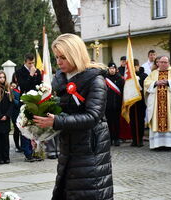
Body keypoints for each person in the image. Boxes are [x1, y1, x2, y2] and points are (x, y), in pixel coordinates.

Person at [33, 33, 113, 200]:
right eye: (56, 57)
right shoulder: (59, 79)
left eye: (63, 57)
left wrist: (57, 121)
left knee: (88, 192)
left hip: (89, 150)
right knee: (67, 190)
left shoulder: (94, 80)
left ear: (75, 54)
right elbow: (59, 110)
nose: (59, 62)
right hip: (68, 147)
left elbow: (93, 116)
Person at [144, 56, 171, 149]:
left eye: (165, 62)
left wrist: (169, 82)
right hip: (156, 104)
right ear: (158, 63)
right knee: (156, 120)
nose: (163, 64)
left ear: (169, 63)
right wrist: (155, 83)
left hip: (170, 104)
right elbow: (146, 83)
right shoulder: (153, 73)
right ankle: (157, 145)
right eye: (161, 62)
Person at [16, 53, 42, 162]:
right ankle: (27, 152)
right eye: (29, 63)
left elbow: (39, 85)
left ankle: (36, 151)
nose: (32, 65)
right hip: (25, 102)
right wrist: (30, 75)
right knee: (26, 126)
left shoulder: (37, 71)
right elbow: (24, 86)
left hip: (35, 102)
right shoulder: (19, 72)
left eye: (33, 63)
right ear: (25, 62)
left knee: (35, 128)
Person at [105, 62, 124, 146]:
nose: (112, 70)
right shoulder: (105, 79)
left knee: (116, 122)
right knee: (108, 123)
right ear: (108, 69)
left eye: (113, 68)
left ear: (116, 69)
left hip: (117, 104)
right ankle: (110, 138)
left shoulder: (120, 79)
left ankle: (116, 139)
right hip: (107, 105)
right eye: (110, 68)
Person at [130, 59, 148, 147]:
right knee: (132, 120)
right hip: (131, 101)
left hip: (141, 102)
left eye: (134, 67)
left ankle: (140, 139)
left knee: (140, 120)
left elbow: (146, 88)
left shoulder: (144, 76)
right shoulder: (129, 76)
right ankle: (134, 139)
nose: (133, 69)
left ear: (138, 66)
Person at [10, 73, 22, 152]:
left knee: (23, 129)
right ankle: (17, 146)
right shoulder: (12, 87)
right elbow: (14, 101)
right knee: (17, 129)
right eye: (16, 77)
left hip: (22, 110)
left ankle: (23, 145)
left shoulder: (22, 85)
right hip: (15, 111)